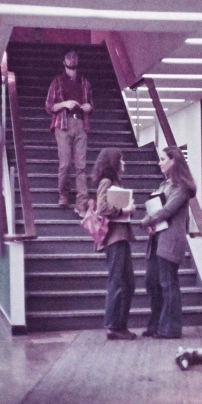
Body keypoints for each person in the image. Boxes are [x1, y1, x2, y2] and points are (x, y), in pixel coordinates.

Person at [140, 146, 196, 339]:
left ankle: (170, 328)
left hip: (170, 240)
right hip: (157, 238)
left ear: (173, 161)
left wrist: (147, 221)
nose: (160, 162)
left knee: (167, 283)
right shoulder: (165, 185)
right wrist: (151, 222)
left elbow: (166, 211)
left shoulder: (181, 187)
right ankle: (156, 325)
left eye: (163, 159)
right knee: (152, 282)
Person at [92, 148, 137, 340]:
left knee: (127, 282)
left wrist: (126, 210)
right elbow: (102, 207)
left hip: (120, 237)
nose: (124, 163)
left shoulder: (115, 182)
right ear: (113, 163)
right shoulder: (106, 182)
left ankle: (118, 324)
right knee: (118, 281)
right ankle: (114, 325)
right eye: (121, 160)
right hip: (114, 238)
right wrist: (124, 211)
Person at [44, 49, 95, 217]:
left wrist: (88, 107)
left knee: (81, 166)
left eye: (75, 57)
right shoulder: (57, 82)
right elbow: (49, 106)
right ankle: (63, 193)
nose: (72, 60)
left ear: (77, 60)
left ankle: (81, 202)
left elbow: (91, 105)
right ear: (64, 61)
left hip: (81, 123)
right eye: (69, 57)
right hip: (63, 125)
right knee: (65, 163)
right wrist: (65, 104)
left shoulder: (84, 82)